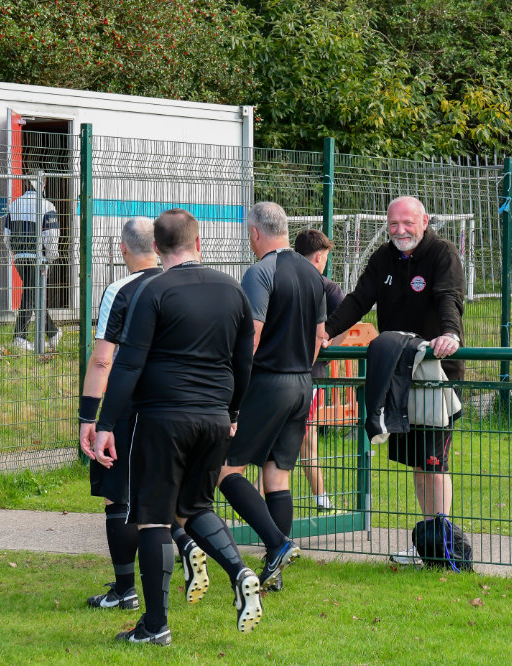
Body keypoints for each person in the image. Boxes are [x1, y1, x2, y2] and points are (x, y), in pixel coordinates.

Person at [94, 209, 261, 646]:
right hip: (215, 418)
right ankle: (239, 571)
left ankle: (155, 625)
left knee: (152, 519)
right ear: (198, 242)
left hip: (162, 418)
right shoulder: (233, 290)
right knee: (195, 507)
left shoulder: (154, 290)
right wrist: (233, 413)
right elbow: (244, 363)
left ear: (157, 247)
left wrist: (105, 423)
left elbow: (128, 364)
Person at [322, 196, 464, 566]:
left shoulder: (442, 253)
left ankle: (443, 547)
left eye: (407, 223)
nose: (400, 231)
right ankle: (428, 545)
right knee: (419, 463)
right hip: (398, 374)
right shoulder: (383, 257)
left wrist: (450, 334)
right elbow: (358, 300)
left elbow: (449, 297)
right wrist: (326, 331)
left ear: (424, 221)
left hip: (435, 375)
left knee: (434, 463)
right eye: (393, 224)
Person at [77, 217, 208, 612]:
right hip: (176, 406)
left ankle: (125, 589)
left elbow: (103, 360)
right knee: (158, 494)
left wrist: (89, 417)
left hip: (128, 406)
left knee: (117, 496)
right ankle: (185, 543)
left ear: (123, 249)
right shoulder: (181, 284)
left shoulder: (121, 290)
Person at [216, 202, 327, 591]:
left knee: (225, 469)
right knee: (277, 476)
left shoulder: (260, 272)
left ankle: (278, 544)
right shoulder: (312, 273)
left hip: (268, 384)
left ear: (255, 233)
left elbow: (252, 336)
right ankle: (274, 572)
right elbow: (320, 336)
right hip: (303, 384)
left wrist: (234, 392)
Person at [294, 229, 347, 512]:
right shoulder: (327, 287)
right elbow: (346, 323)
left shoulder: (279, 280)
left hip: (273, 374)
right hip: (310, 375)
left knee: (284, 441)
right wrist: (326, 346)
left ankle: (321, 499)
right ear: (319, 256)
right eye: (325, 256)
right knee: (305, 439)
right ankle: (322, 499)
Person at [4, 179, 61, 351]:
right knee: (31, 294)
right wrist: (51, 256)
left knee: (32, 293)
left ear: (26, 185)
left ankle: (53, 333)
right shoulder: (47, 206)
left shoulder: (14, 205)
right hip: (38, 258)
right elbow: (51, 236)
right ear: (43, 184)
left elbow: (6, 236)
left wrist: (15, 252)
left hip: (19, 257)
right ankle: (20, 337)